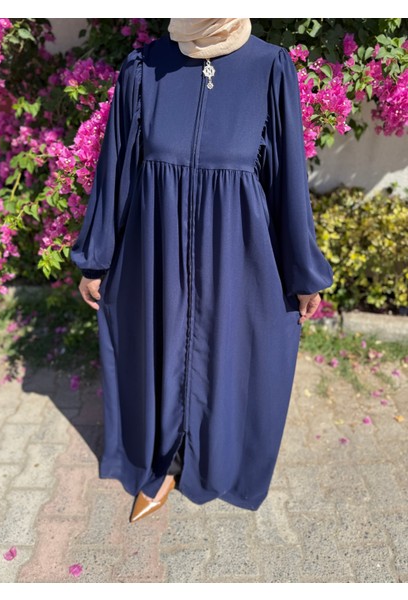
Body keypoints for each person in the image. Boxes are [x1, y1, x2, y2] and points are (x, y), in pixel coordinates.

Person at [71, 18, 334, 523]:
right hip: (155, 251)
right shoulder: (145, 67)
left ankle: (213, 462)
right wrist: (96, 257)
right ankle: (162, 464)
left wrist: (303, 272)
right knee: (158, 352)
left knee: (227, 355)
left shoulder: (269, 67)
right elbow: (116, 167)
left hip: (237, 252)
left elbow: (287, 179)